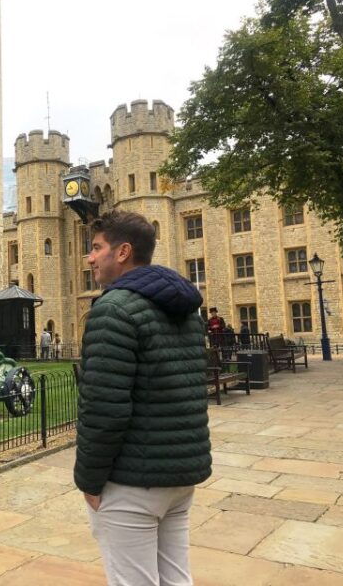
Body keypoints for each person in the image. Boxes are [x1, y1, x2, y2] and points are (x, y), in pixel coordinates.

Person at [75, 210, 211, 586]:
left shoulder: (113, 309)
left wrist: (89, 479)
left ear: (122, 253)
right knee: (176, 580)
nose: (90, 258)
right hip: (180, 472)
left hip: (132, 479)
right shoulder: (185, 309)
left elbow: (104, 410)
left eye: (97, 248)